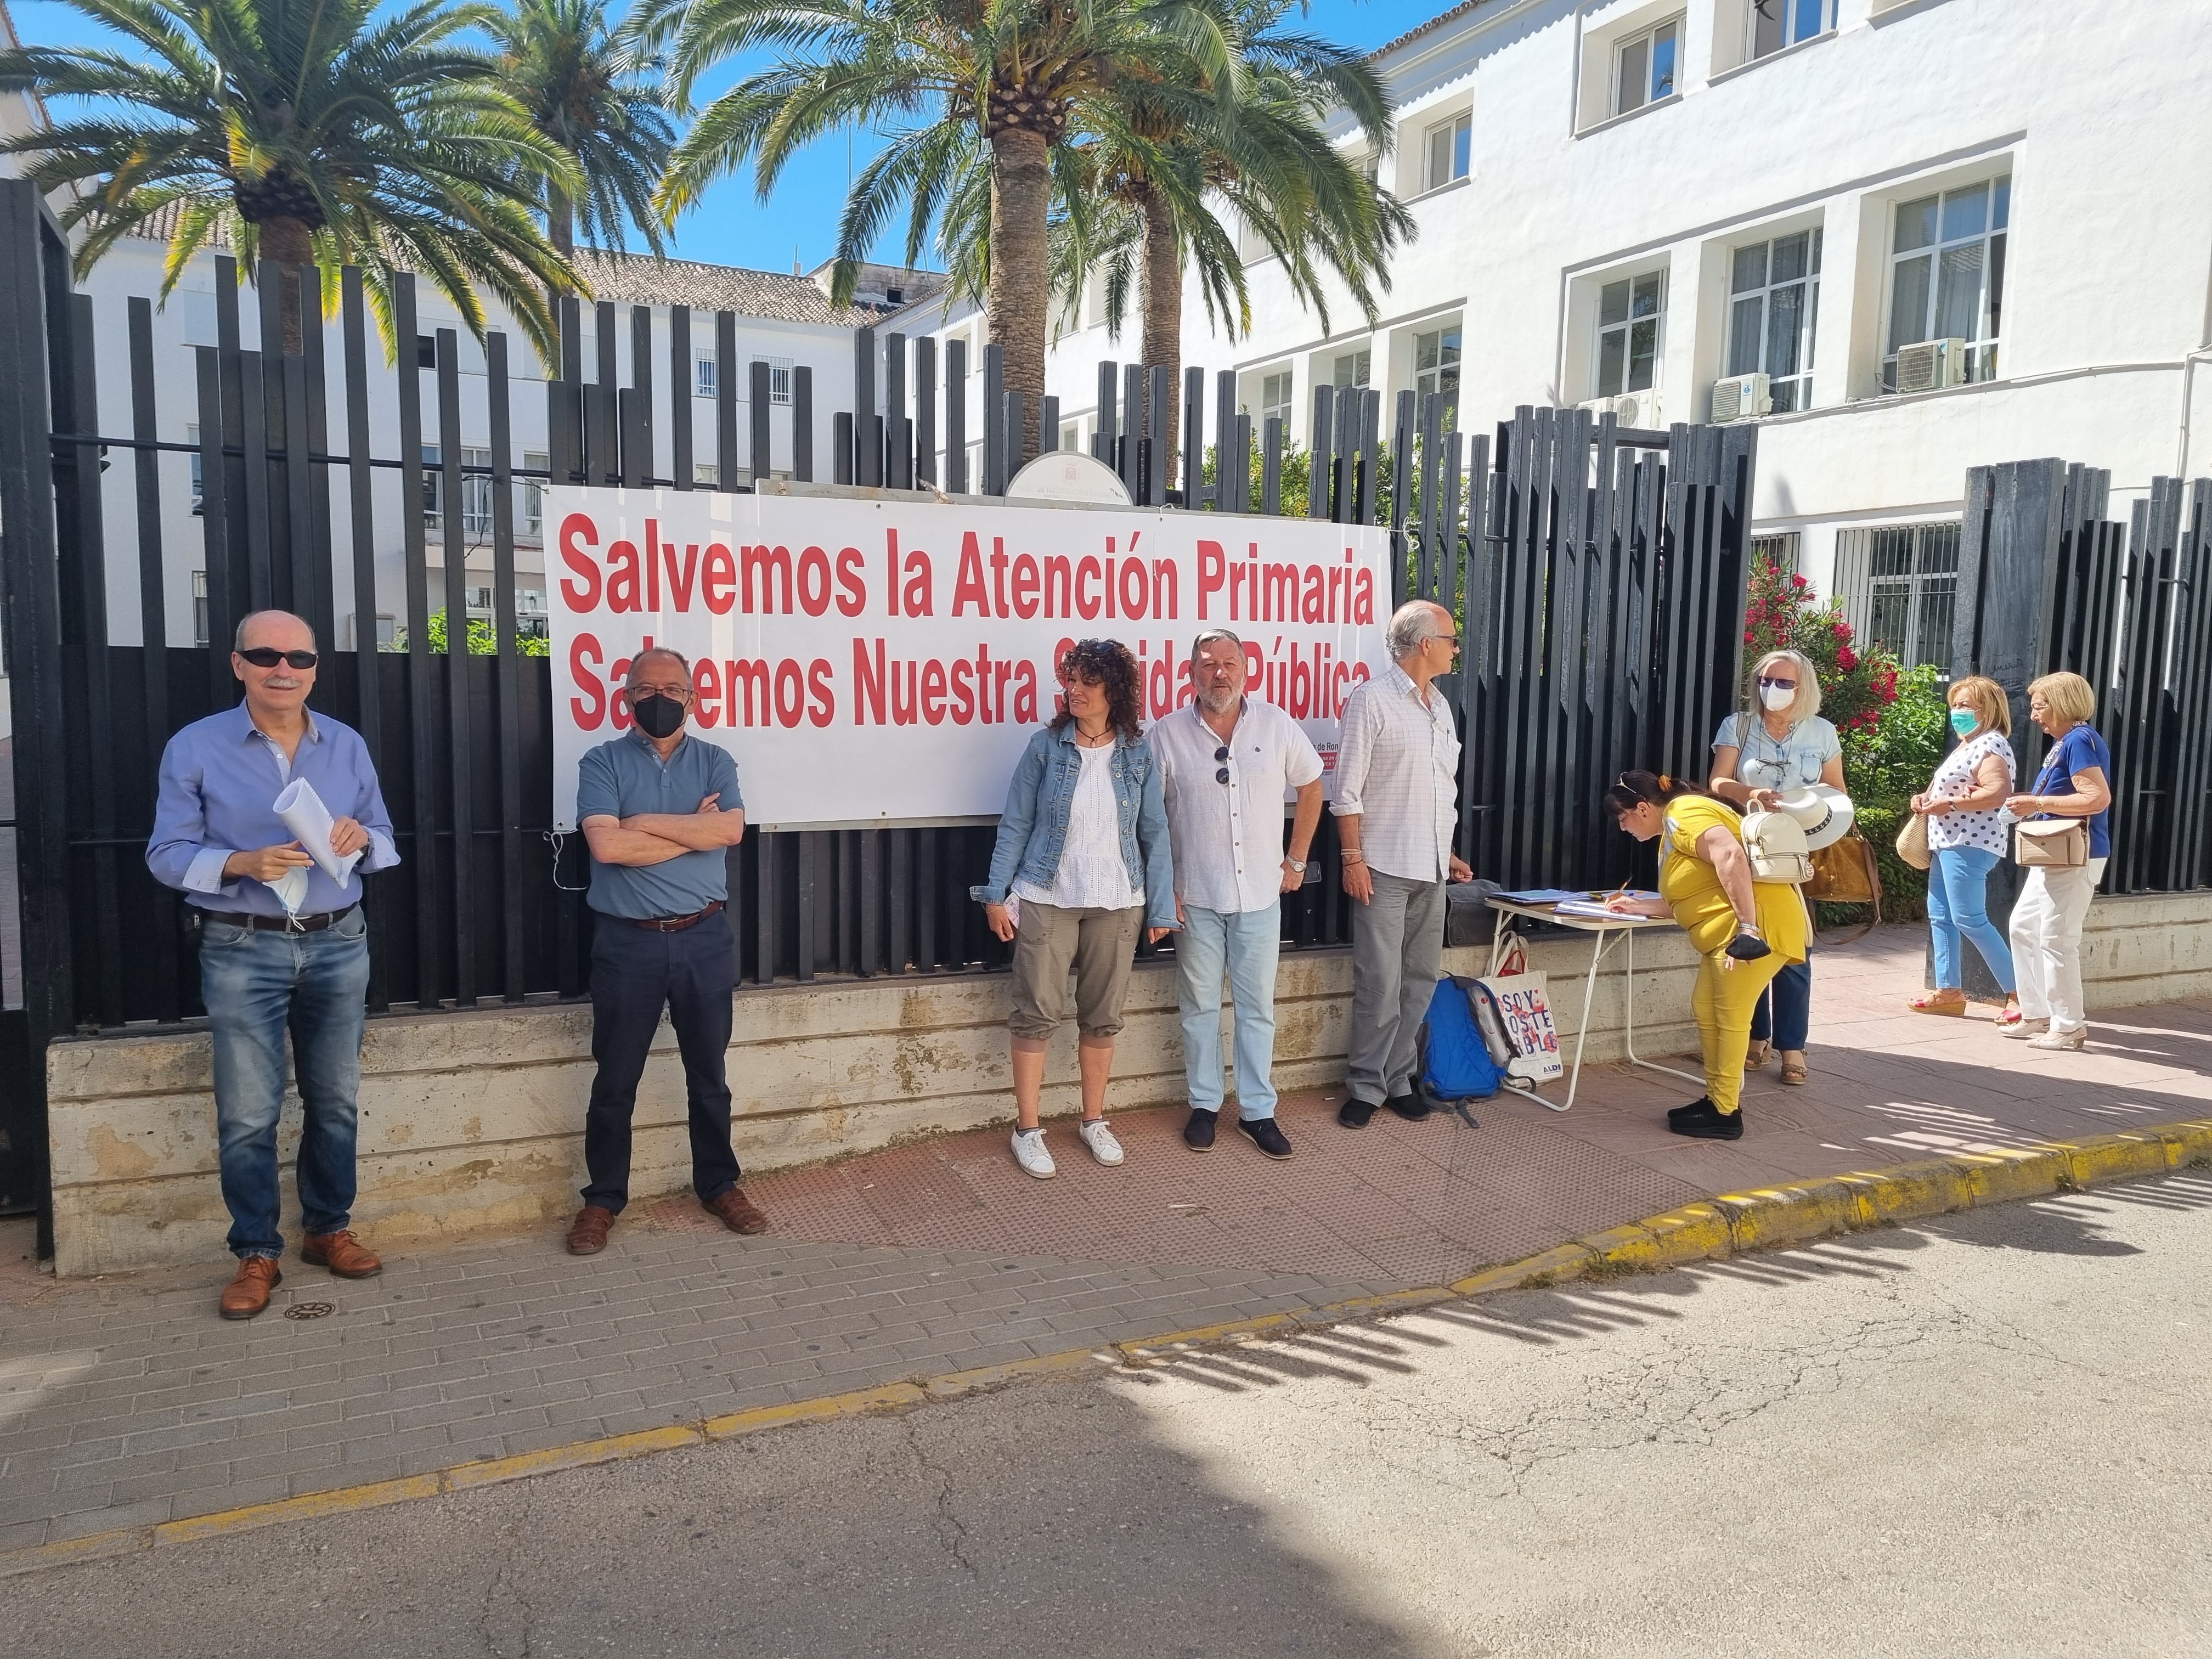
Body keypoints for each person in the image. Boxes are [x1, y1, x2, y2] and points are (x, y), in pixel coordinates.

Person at [146, 611, 400, 1319]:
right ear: (238, 664)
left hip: (337, 937)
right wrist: (236, 863)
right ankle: (256, 1252)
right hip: (242, 943)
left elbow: (384, 838)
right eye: (265, 655)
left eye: (298, 657)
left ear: (316, 667)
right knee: (249, 1113)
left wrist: (361, 839)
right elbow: (165, 854)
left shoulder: (344, 745)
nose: (282, 668)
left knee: (336, 1100)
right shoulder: (195, 747)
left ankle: (328, 1229)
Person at [566, 647, 767, 1255]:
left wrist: (640, 825)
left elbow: (729, 832)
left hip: (705, 937)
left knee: (710, 1076)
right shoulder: (601, 761)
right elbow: (605, 848)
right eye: (646, 689)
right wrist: (687, 830)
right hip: (627, 943)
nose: (660, 698)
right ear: (625, 698)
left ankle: (718, 1184)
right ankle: (603, 1198)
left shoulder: (715, 760)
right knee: (615, 1080)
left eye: (674, 689)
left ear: (694, 698)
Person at [973, 640, 1177, 1178]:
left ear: (1115, 688)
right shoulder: (1044, 747)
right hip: (1047, 896)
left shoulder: (1137, 751)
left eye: (1087, 681)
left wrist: (1161, 906)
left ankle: (1093, 1121)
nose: (1075, 690)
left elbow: (1154, 832)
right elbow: (1015, 822)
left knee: (1103, 1016)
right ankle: (1028, 1130)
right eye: (1071, 680)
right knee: (1036, 1012)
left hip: (1118, 899)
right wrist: (996, 894)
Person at [1153, 629, 1324, 1159]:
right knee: (1199, 1007)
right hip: (1196, 896)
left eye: (1229, 663)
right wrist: (1164, 891)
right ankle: (1204, 1105)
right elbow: (1151, 820)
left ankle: (1257, 1112)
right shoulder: (1166, 735)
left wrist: (1296, 860)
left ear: (1247, 670)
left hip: (1260, 896)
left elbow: (1313, 785)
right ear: (1190, 673)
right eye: (1208, 664)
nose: (1219, 673)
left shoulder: (1275, 724)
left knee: (1257, 1009)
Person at [1602, 770, 1809, 1139]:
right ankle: (1717, 1100)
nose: (1622, 829)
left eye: (1623, 818)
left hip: (1750, 931)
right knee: (1708, 1009)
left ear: (1643, 808)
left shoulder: (1683, 812)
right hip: (1733, 931)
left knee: (1729, 1017)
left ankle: (1726, 1111)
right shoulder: (1679, 820)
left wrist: (1748, 928)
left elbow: (1729, 854)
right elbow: (1699, 891)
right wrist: (1640, 907)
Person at [1333, 600, 1474, 1128]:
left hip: (1431, 867)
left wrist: (1449, 852)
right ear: (1424, 645)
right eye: (1451, 638)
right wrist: (1353, 858)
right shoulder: (1371, 702)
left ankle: (1398, 1081)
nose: (1456, 648)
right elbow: (1346, 792)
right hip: (1384, 866)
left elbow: (1440, 791)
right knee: (1380, 982)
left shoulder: (1440, 708)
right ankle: (1366, 1087)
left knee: (1419, 980)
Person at [1709, 647, 1842, 1086]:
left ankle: (1792, 1046)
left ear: (1803, 689)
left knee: (1795, 949)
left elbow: (1837, 791)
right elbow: (1718, 781)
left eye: (1784, 683)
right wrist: (1752, 792)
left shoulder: (1821, 731)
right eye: (1767, 681)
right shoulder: (1740, 724)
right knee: (1752, 936)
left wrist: (1809, 807)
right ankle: (1757, 1035)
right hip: (1749, 846)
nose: (1773, 690)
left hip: (1800, 851)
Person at [2002, 671, 2113, 1052]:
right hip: (2057, 853)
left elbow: (2096, 798)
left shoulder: (2079, 740)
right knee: (2023, 927)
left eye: (2039, 706)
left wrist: (2036, 804)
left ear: (2063, 704)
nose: (2034, 716)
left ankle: (2068, 1025)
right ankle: (2037, 1013)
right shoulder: (2071, 740)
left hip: (2074, 854)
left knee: (2055, 938)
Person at [1908, 675, 2020, 1024]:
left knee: (1969, 918)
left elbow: (1997, 792)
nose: (1957, 711)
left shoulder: (1991, 744)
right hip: (1950, 842)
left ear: (1988, 709)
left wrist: (1950, 805)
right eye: (1955, 705)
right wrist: (1927, 801)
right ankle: (1948, 990)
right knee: (1942, 917)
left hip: (1970, 841)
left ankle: (2020, 993)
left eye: (1966, 705)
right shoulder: (1968, 746)